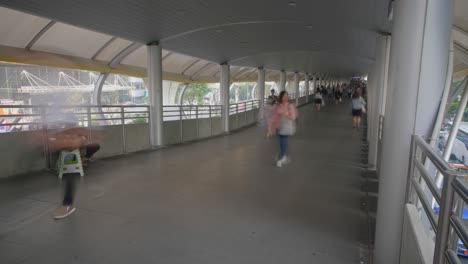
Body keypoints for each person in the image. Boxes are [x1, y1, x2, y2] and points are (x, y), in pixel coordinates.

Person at [267, 91, 298, 167]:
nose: (286, 97)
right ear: (281, 97)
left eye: (287, 96)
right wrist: (270, 128)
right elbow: (274, 117)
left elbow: (293, 117)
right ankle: (283, 156)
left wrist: (287, 114)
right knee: (281, 143)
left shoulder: (290, 106)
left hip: (286, 127)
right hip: (279, 127)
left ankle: (280, 159)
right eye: (284, 96)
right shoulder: (279, 106)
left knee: (283, 142)